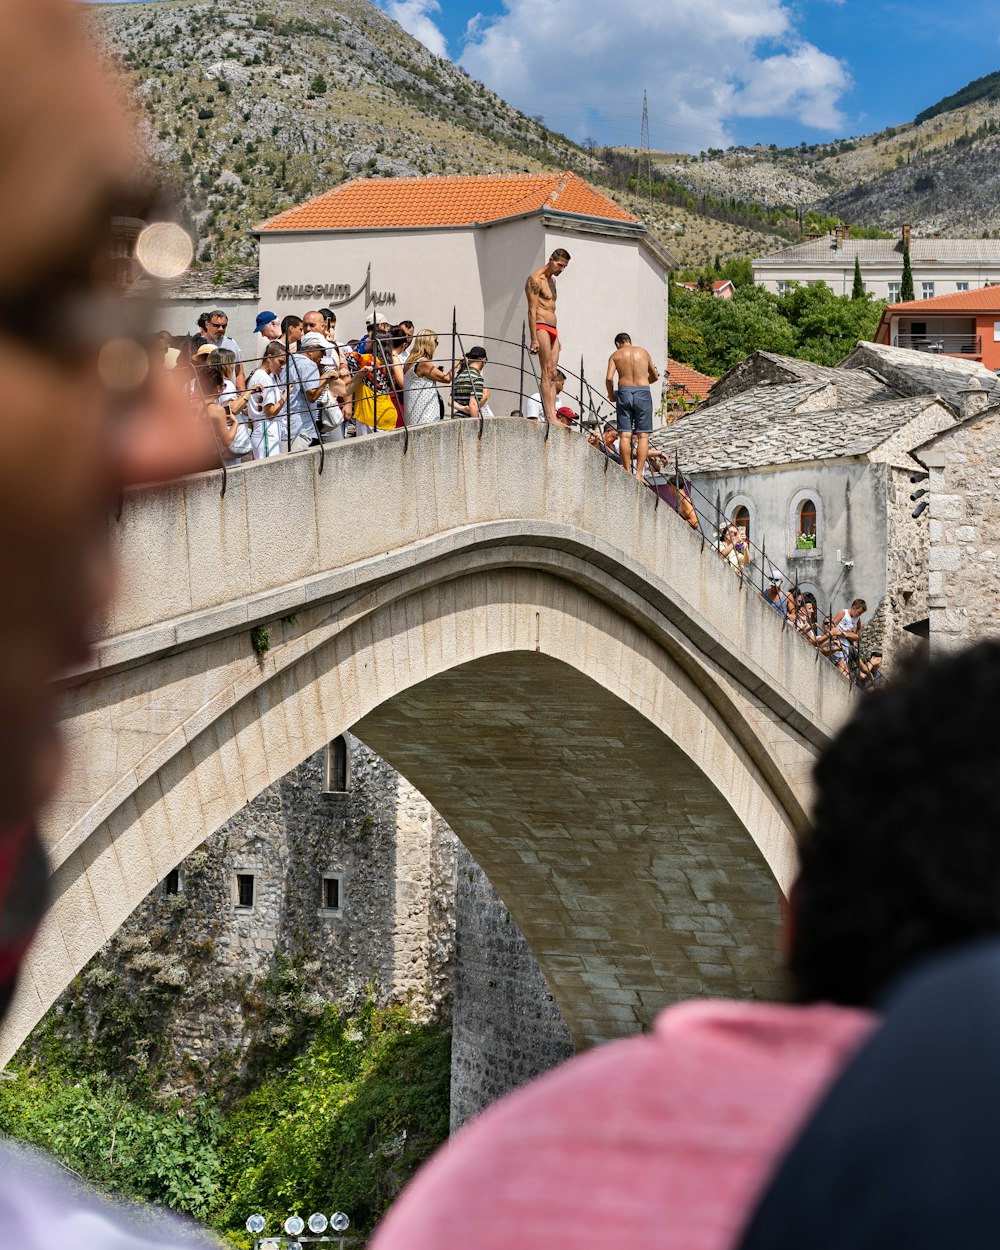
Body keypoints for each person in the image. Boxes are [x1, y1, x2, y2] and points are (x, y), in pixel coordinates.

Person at [525, 248, 571, 423]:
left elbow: (552, 307)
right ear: (551, 259)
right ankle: (550, 416)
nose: (561, 269)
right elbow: (532, 310)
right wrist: (534, 338)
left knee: (553, 373)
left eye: (564, 266)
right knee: (546, 372)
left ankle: (553, 412)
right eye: (560, 265)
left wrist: (557, 338)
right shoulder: (535, 280)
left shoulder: (552, 281)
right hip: (541, 326)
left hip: (553, 329)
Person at [606, 332, 659, 480]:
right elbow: (654, 376)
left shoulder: (616, 355)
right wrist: (642, 384)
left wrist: (611, 395)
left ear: (618, 344)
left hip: (624, 392)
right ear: (630, 341)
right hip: (643, 392)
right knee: (643, 435)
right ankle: (639, 474)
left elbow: (609, 378)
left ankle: (627, 471)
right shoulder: (643, 352)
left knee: (625, 434)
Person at [403, 330, 453, 426]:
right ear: (428, 343)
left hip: (413, 413)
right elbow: (446, 379)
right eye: (435, 342)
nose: (436, 345)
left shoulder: (409, 360)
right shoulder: (423, 362)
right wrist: (457, 364)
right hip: (426, 414)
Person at [246, 342, 286, 459]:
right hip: (266, 430)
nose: (282, 367)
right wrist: (285, 396)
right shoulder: (264, 378)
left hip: (264, 429)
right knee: (270, 471)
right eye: (280, 362)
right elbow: (270, 412)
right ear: (269, 358)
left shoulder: (262, 376)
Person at [197, 309, 245, 391]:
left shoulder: (231, 343)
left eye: (224, 326)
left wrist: (242, 394)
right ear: (207, 324)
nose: (221, 329)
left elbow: (239, 372)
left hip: (230, 393)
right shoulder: (199, 344)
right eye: (216, 325)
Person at [452, 346, 489, 419]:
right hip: (467, 420)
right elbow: (473, 404)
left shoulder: (459, 376)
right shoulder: (477, 378)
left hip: (456, 418)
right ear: (483, 360)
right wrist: (476, 425)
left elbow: (451, 400)